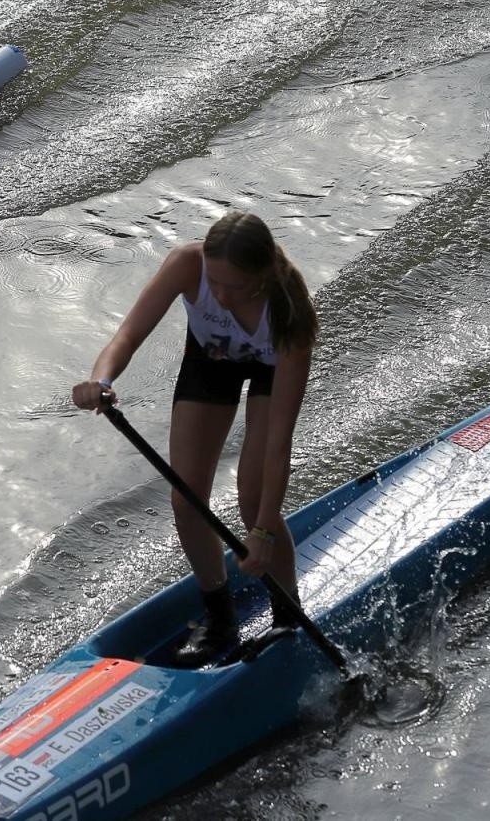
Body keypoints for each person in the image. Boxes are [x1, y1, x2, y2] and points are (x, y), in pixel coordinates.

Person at [72, 211, 319, 666]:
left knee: (252, 500)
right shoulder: (186, 264)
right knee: (187, 501)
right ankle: (218, 616)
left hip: (270, 373)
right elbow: (128, 334)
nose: (221, 298)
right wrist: (100, 381)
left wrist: (263, 531)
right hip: (211, 365)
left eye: (236, 288)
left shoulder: (291, 317)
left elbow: (279, 443)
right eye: (215, 284)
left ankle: (287, 613)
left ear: (262, 275)